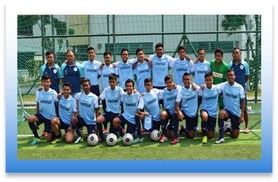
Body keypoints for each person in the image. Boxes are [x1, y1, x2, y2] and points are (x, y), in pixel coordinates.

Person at [215, 69, 245, 144]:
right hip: (227, 111)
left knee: (235, 136)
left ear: (234, 76)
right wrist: (203, 86)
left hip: (236, 113)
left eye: (232, 75)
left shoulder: (239, 87)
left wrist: (242, 115)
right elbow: (213, 87)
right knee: (221, 113)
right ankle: (221, 137)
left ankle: (229, 128)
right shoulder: (223, 85)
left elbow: (243, 101)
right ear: (226, 77)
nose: (230, 77)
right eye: (228, 75)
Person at [26, 75, 58, 145]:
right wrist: (36, 118)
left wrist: (56, 117)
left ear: (50, 83)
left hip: (50, 117)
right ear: (42, 82)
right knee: (30, 118)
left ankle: (51, 132)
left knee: (48, 139)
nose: (46, 83)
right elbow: (37, 104)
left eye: (48, 82)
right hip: (41, 115)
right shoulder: (39, 92)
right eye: (44, 82)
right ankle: (36, 137)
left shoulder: (54, 93)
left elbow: (56, 105)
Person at [112, 79, 144, 144]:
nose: (128, 88)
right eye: (127, 86)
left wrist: (139, 109)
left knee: (128, 137)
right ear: (125, 87)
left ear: (133, 87)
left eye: (130, 86)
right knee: (115, 121)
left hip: (133, 118)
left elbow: (142, 101)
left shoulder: (137, 95)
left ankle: (138, 136)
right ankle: (121, 135)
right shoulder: (123, 95)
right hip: (125, 116)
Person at [228, 47, 250, 133]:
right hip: (233, 91)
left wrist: (242, 86)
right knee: (233, 108)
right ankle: (231, 125)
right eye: (234, 53)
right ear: (232, 55)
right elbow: (229, 77)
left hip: (242, 90)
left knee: (243, 109)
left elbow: (247, 76)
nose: (235, 54)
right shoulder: (230, 65)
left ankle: (247, 126)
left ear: (240, 54)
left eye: (237, 53)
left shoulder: (245, 64)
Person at [73, 79, 101, 144]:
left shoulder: (94, 97)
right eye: (83, 86)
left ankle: (95, 132)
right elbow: (75, 100)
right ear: (82, 87)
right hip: (82, 119)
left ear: (90, 86)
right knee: (73, 120)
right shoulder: (78, 95)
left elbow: (97, 111)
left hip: (91, 121)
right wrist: (77, 112)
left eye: (86, 85)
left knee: (91, 138)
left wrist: (96, 123)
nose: (85, 87)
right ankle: (80, 136)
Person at [198, 72, 221, 144]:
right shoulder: (202, 89)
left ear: (212, 80)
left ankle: (205, 129)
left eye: (210, 80)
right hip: (204, 110)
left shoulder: (217, 88)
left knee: (211, 136)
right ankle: (204, 136)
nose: (208, 82)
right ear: (205, 81)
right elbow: (195, 91)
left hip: (213, 113)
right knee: (205, 116)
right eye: (206, 80)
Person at [175, 73, 199, 139]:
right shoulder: (180, 90)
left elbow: (202, 90)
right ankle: (174, 130)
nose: (186, 81)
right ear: (182, 81)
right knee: (175, 114)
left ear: (191, 80)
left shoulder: (194, 88)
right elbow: (177, 104)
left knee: (191, 135)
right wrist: (179, 111)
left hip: (193, 114)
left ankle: (184, 129)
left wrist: (194, 85)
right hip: (185, 112)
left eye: (188, 79)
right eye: (185, 79)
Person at [159, 75, 181, 144]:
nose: (169, 84)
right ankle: (164, 135)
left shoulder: (177, 89)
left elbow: (182, 88)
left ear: (173, 82)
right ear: (165, 83)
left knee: (171, 135)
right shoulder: (163, 92)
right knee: (162, 114)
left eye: (170, 82)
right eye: (167, 82)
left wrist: (176, 86)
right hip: (167, 112)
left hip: (175, 112)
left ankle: (176, 137)